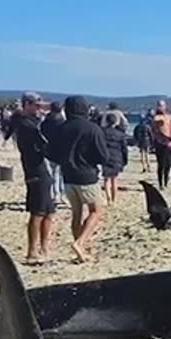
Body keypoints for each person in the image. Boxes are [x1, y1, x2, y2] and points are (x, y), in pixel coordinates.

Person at [46, 95, 110, 263]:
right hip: (87, 175)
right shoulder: (92, 128)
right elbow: (103, 155)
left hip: (67, 175)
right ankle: (81, 243)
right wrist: (91, 160)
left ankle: (80, 249)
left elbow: (51, 153)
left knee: (77, 213)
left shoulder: (61, 128)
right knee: (96, 210)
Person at [11, 92, 55, 263]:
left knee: (49, 211)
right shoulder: (26, 125)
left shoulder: (32, 122)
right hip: (35, 170)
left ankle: (44, 247)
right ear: (27, 105)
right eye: (36, 106)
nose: (39, 109)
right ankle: (32, 251)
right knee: (38, 211)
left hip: (42, 169)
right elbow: (41, 146)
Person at [100, 111, 128, 205]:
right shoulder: (120, 134)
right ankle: (114, 199)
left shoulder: (102, 132)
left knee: (106, 179)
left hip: (105, 157)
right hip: (116, 157)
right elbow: (124, 148)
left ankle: (108, 199)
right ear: (116, 122)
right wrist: (125, 160)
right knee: (114, 179)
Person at [42, 101, 67, 202]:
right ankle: (60, 193)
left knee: (52, 172)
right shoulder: (63, 123)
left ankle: (54, 193)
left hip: (48, 149)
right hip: (61, 149)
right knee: (60, 173)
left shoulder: (45, 122)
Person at [151, 100, 171, 189]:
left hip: (167, 143)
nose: (161, 107)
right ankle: (161, 184)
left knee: (168, 164)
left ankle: (165, 182)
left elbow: (169, 126)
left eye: (162, 106)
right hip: (160, 142)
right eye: (159, 106)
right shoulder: (157, 118)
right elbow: (157, 128)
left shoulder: (167, 117)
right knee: (161, 164)